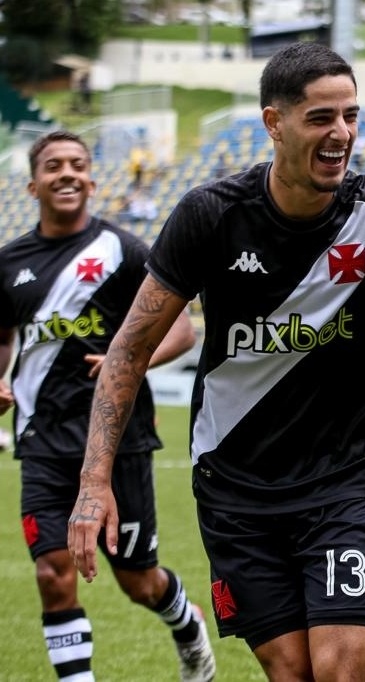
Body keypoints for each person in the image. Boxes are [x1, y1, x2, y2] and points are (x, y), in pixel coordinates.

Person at [67, 43, 365, 682]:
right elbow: (128, 351)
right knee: (292, 675)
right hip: (233, 485)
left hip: (340, 480)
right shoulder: (211, 215)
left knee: (344, 672)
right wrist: (94, 485)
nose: (340, 133)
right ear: (273, 123)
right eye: (320, 118)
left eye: (351, 116)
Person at [0, 130, 213, 682]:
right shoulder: (9, 263)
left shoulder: (125, 251)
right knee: (52, 573)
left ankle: (187, 627)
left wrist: (132, 362)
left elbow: (182, 334)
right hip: (41, 440)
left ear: (93, 181)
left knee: (137, 581)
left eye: (77, 164)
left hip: (120, 442)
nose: (66, 173)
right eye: (53, 165)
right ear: (33, 183)